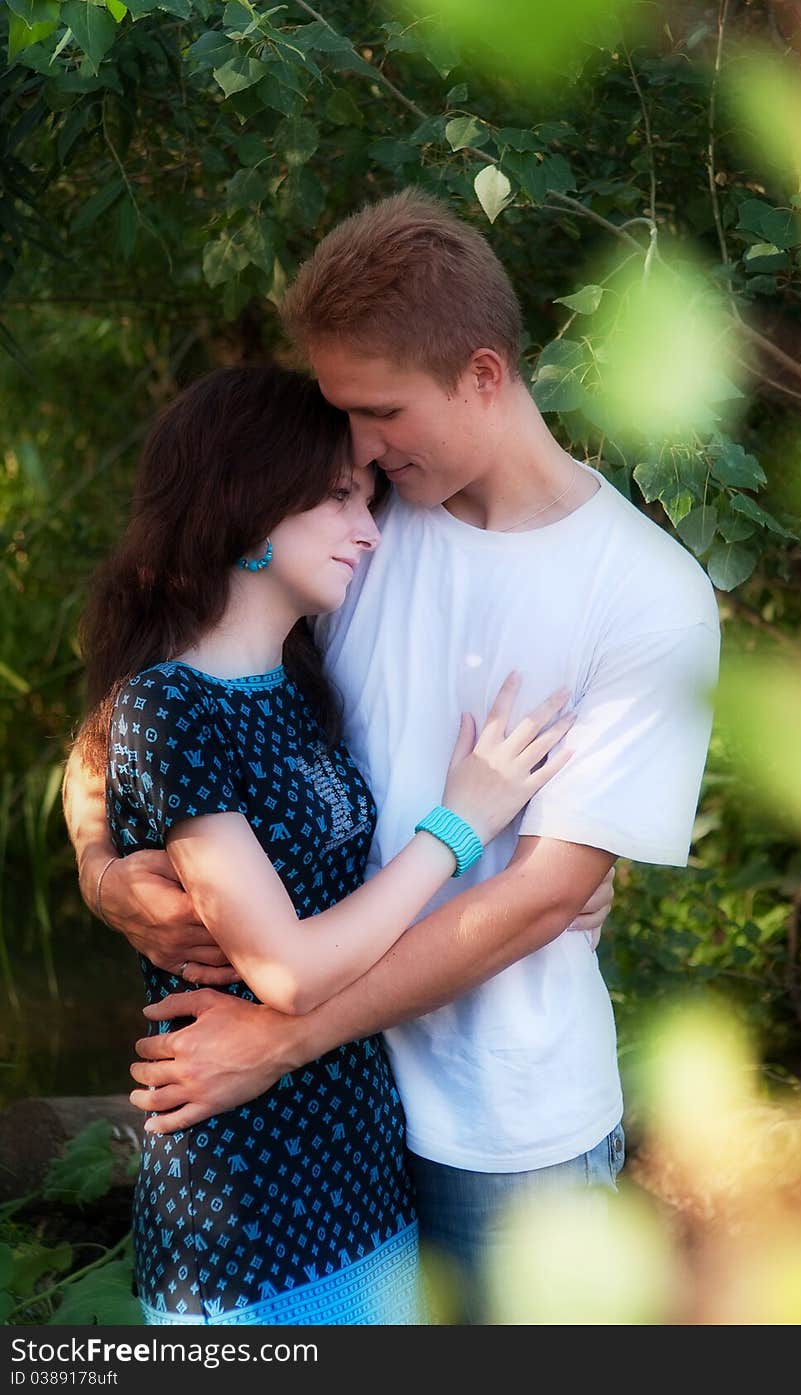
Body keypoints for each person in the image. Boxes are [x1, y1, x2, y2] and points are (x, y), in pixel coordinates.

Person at [65, 190, 720, 1323]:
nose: (357, 449)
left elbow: (539, 898)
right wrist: (99, 864)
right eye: (341, 416)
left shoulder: (646, 596)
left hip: (503, 1134)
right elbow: (146, 695)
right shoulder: (352, 526)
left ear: (481, 375)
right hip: (320, 1136)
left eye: (380, 412)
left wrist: (279, 1037)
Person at [75, 361, 578, 1325]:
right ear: (249, 508)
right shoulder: (170, 705)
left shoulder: (303, 690)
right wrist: (461, 822)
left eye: (369, 498)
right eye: (339, 498)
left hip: (363, 1177)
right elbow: (291, 973)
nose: (369, 527)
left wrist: (554, 873)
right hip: (246, 1212)